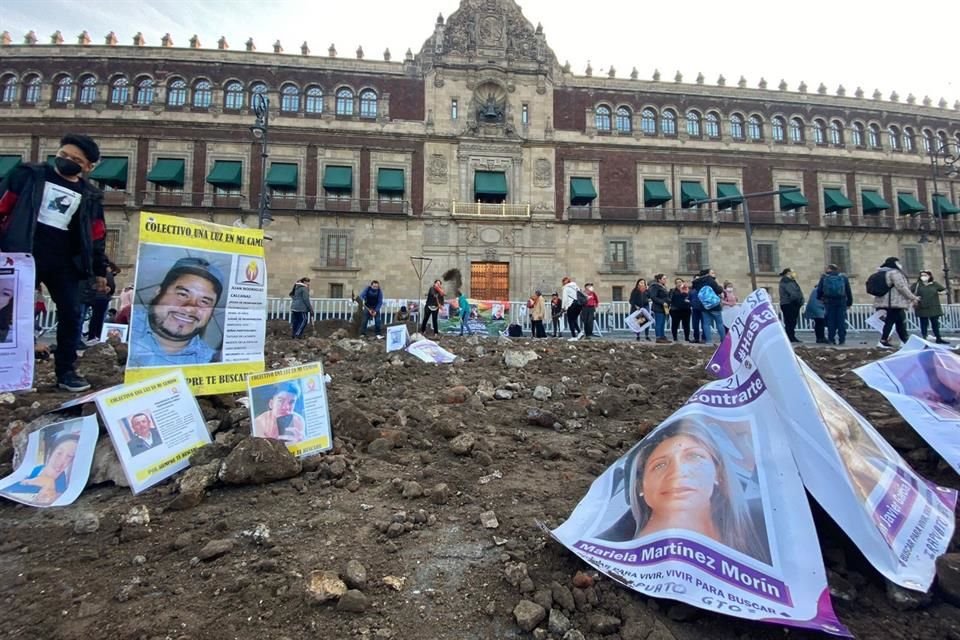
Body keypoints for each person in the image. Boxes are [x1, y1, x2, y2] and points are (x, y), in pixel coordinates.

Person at [0, 134, 110, 392]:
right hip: (22, 253)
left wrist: (98, 270)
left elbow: (96, 235)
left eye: (75, 160)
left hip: (65, 260)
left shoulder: (90, 195)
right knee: (9, 312)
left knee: (71, 312)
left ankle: (66, 371)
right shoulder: (28, 175)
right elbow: (4, 205)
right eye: (63, 155)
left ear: (88, 167)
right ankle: (11, 371)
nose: (66, 161)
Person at [601, 419, 770, 564]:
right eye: (659, 465)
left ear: (718, 474)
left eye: (694, 457)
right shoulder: (608, 548)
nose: (678, 472)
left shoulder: (763, 525)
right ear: (640, 487)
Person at [128, 256, 224, 367]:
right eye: (182, 294)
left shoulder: (209, 362)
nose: (190, 308)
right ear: (158, 292)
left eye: (204, 302)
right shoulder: (125, 327)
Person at [5, 432, 80, 505]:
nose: (61, 462)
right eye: (59, 453)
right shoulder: (35, 469)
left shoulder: (61, 482)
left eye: (70, 457)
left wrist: (49, 487)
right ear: (49, 454)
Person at [873, 257, 919, 349]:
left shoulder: (881, 273)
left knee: (900, 321)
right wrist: (913, 297)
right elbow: (901, 287)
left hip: (883, 302)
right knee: (891, 322)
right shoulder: (894, 273)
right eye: (898, 262)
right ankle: (883, 341)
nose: (900, 265)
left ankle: (905, 341)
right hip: (894, 302)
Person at [816, 264, 853, 346]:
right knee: (841, 321)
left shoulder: (824, 277)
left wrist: (820, 298)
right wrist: (849, 302)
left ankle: (831, 339)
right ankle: (842, 339)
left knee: (831, 321)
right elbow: (848, 290)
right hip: (841, 301)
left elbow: (819, 290)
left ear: (829, 269)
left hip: (829, 301)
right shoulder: (843, 277)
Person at [85, 260, 120, 344]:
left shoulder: (95, 274)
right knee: (99, 318)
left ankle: (92, 335)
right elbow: (112, 286)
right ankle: (97, 335)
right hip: (103, 297)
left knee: (94, 317)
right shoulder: (107, 274)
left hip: (94, 297)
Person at [912, 270, 948, 344]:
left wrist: (942, 293)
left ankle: (938, 338)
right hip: (922, 306)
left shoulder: (934, 284)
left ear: (929, 276)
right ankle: (924, 338)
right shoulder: (917, 285)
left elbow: (945, 290)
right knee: (924, 323)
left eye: (925, 275)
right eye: (922, 275)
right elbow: (908, 292)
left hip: (934, 307)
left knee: (935, 323)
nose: (923, 277)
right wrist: (915, 297)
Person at [692, 269, 725, 343]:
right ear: (707, 274)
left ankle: (709, 341)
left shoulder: (697, 282)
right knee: (719, 323)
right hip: (714, 305)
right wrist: (719, 285)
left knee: (706, 324)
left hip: (704, 306)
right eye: (712, 273)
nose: (714, 274)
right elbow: (718, 290)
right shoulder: (711, 280)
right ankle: (723, 340)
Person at [778, 268, 804, 343]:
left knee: (791, 321)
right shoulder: (787, 282)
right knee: (790, 321)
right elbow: (793, 293)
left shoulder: (788, 281)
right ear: (788, 273)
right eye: (793, 272)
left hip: (789, 303)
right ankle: (790, 337)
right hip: (789, 304)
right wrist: (798, 301)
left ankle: (791, 336)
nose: (794, 273)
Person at [648, 274, 670, 344]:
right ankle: (658, 337)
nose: (665, 280)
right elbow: (653, 297)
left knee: (663, 322)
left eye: (665, 278)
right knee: (659, 322)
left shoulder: (663, 287)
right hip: (658, 307)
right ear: (659, 280)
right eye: (664, 279)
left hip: (664, 307)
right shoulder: (655, 286)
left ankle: (662, 336)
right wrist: (662, 302)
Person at [669, 278, 691, 342]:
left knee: (686, 325)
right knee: (675, 325)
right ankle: (675, 338)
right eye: (677, 282)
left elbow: (689, 298)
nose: (679, 283)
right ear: (675, 284)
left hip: (686, 309)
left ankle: (687, 338)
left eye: (680, 282)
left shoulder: (687, 290)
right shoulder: (672, 291)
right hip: (676, 310)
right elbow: (670, 299)